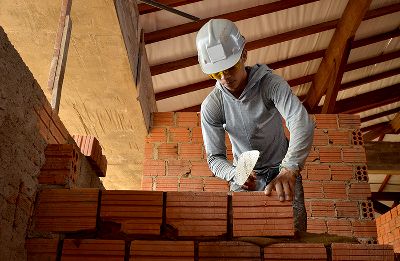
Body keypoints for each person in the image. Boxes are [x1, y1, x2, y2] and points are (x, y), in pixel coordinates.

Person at [196, 19, 314, 234]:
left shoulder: (270, 85)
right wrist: (234, 174)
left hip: (282, 166)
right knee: (240, 238)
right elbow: (214, 158)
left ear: (243, 54)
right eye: (216, 73)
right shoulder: (212, 105)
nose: (224, 78)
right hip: (243, 171)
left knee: (294, 233)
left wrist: (289, 169)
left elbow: (301, 122)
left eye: (230, 68)